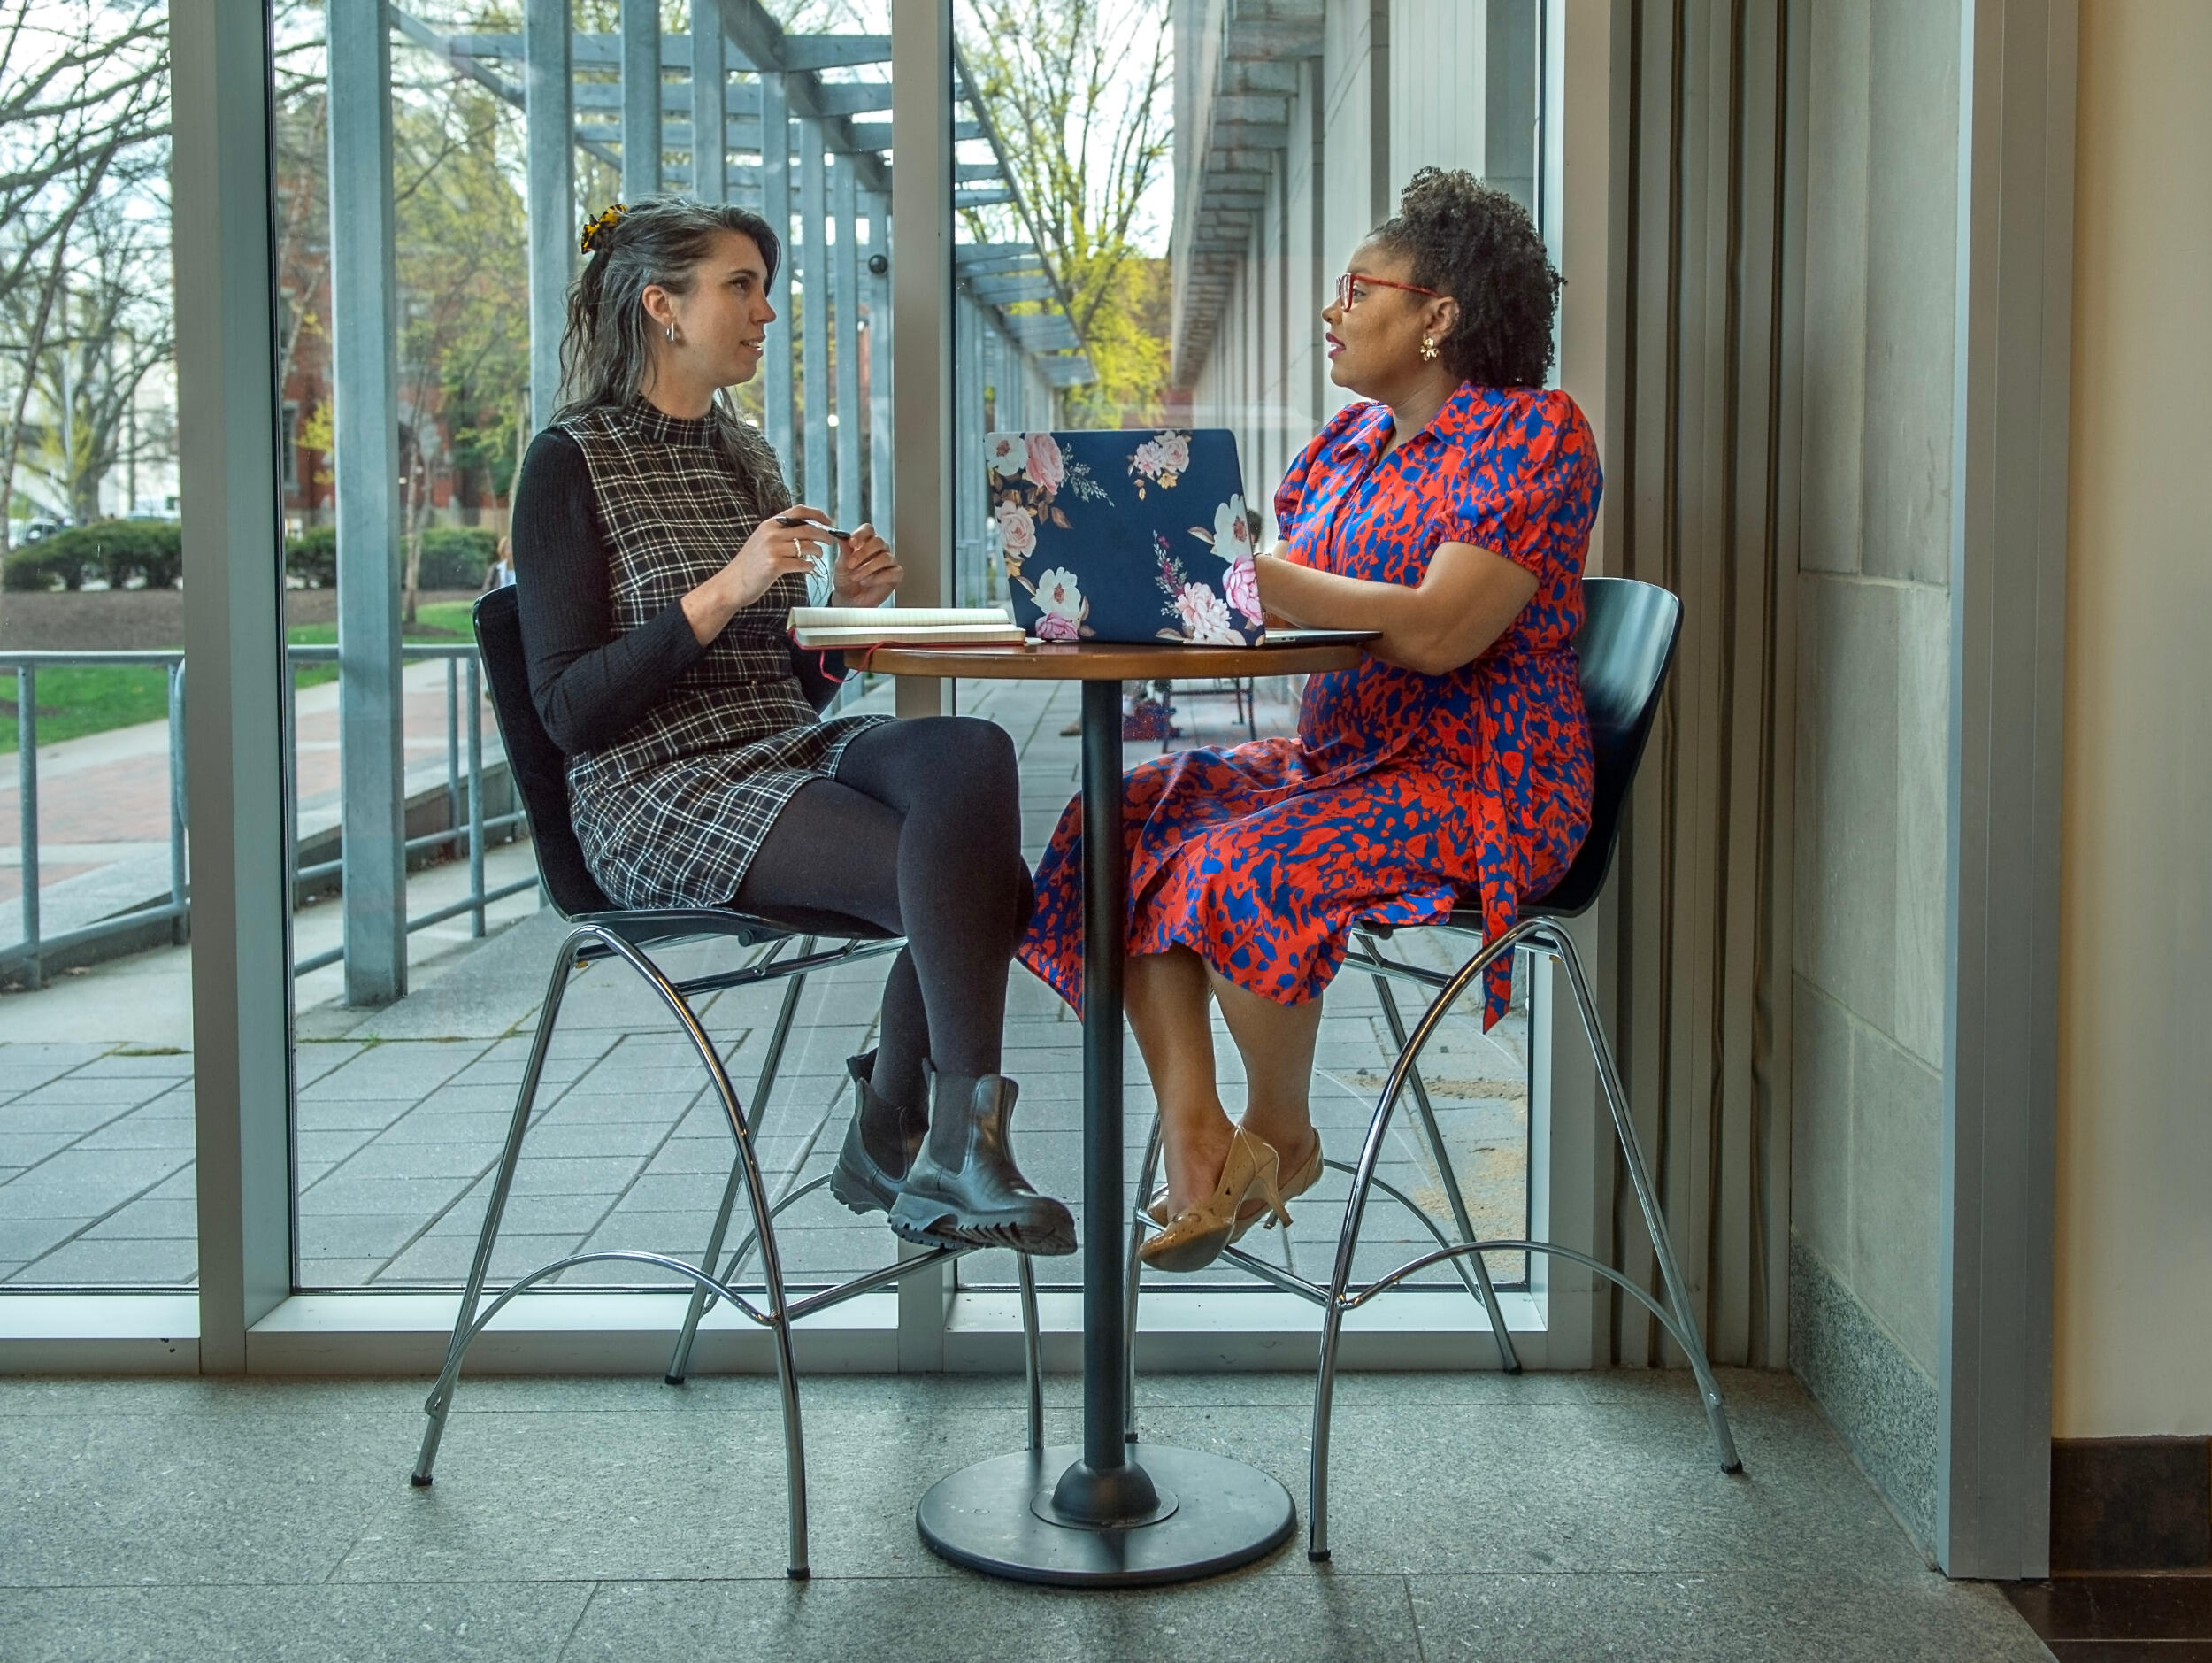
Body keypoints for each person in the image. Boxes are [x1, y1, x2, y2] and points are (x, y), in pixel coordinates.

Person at [1020, 168, 1600, 1272]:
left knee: (1242, 866)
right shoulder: (1340, 450)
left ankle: (1280, 1133)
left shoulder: (1534, 438)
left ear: (1438, 314)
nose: (1331, 311)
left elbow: (1435, 633)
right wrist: (1146, 577)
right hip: (1341, 762)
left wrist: (1244, 571)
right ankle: (1200, 1145)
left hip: (1478, 782)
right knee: (1123, 815)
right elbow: (1270, 602)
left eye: (1354, 287)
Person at [512, 196, 1073, 1256]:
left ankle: (921, 1134)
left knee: (972, 751)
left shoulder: (743, 454)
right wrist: (725, 588)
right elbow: (570, 714)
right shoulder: (568, 462)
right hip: (655, 790)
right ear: (661, 307)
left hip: (780, 751)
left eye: (764, 289)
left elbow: (786, 690)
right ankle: (920, 1130)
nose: (766, 312)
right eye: (741, 287)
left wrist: (843, 619)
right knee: (985, 885)